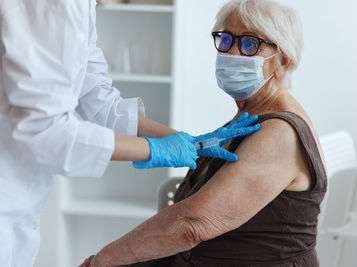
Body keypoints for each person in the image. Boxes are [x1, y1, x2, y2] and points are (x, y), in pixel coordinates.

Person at [0, 0, 260, 266]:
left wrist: (192, 142)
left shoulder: (80, 7)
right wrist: (156, 149)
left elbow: (100, 100)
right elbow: (47, 133)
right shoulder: (57, 5)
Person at [80, 0, 328, 266]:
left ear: (283, 62)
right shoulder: (252, 114)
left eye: (248, 44)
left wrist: (103, 260)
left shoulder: (280, 133)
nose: (232, 52)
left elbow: (192, 224)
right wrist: (189, 146)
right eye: (225, 40)